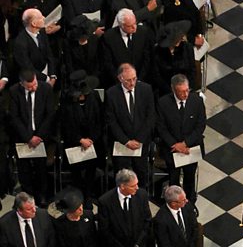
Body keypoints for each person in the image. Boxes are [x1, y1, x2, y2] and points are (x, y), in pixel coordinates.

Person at [8, 69, 56, 207]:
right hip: (23, 137)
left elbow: (50, 114)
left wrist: (38, 136)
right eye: (30, 87)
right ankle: (27, 197)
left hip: (41, 136)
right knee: (24, 170)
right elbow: (14, 117)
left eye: (34, 84)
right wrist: (28, 137)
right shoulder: (14, 91)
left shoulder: (46, 88)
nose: (34, 87)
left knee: (41, 168)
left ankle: (42, 196)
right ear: (22, 84)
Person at [105, 63, 156, 189]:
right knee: (121, 177)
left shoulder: (146, 89)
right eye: (128, 80)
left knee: (141, 175)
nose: (132, 83)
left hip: (140, 142)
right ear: (120, 78)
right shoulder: (111, 94)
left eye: (134, 79)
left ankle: (141, 199)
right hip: (121, 143)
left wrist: (139, 139)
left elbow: (150, 117)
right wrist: (126, 141)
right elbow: (111, 121)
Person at [156, 74, 205, 203]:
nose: (185, 94)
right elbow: (161, 128)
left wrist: (185, 144)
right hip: (171, 149)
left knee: (190, 178)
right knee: (174, 179)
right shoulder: (163, 103)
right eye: (181, 91)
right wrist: (175, 144)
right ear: (173, 90)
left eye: (187, 90)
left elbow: (200, 126)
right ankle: (173, 203)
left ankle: (189, 203)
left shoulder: (197, 101)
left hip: (191, 147)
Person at [60, 70, 103, 205]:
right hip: (74, 142)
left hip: (92, 141)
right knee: (76, 173)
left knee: (91, 170)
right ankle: (78, 196)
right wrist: (80, 140)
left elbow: (100, 119)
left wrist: (91, 139)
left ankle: (89, 194)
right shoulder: (66, 99)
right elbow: (65, 124)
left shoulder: (94, 95)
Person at [98, 169, 152, 247]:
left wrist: (138, 244)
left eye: (137, 184)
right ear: (122, 186)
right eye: (133, 186)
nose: (137, 188)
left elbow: (147, 221)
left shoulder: (142, 195)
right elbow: (105, 231)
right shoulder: (105, 201)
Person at [101, 8, 155, 85]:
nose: (134, 27)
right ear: (121, 25)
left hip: (141, 81)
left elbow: (147, 58)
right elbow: (108, 63)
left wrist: (138, 80)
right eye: (130, 26)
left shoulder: (144, 32)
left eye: (135, 23)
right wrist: (122, 81)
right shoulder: (109, 37)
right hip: (119, 83)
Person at [13, 8, 58, 84]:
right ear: (34, 23)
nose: (44, 18)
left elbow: (49, 55)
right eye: (40, 17)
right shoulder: (20, 43)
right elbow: (27, 67)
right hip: (31, 80)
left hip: (46, 73)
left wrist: (52, 75)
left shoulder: (42, 32)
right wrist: (47, 79)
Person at [153, 21, 196, 95]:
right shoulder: (157, 52)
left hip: (186, 89)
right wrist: (172, 92)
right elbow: (157, 76)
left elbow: (192, 71)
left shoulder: (187, 48)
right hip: (166, 92)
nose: (181, 38)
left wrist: (186, 88)